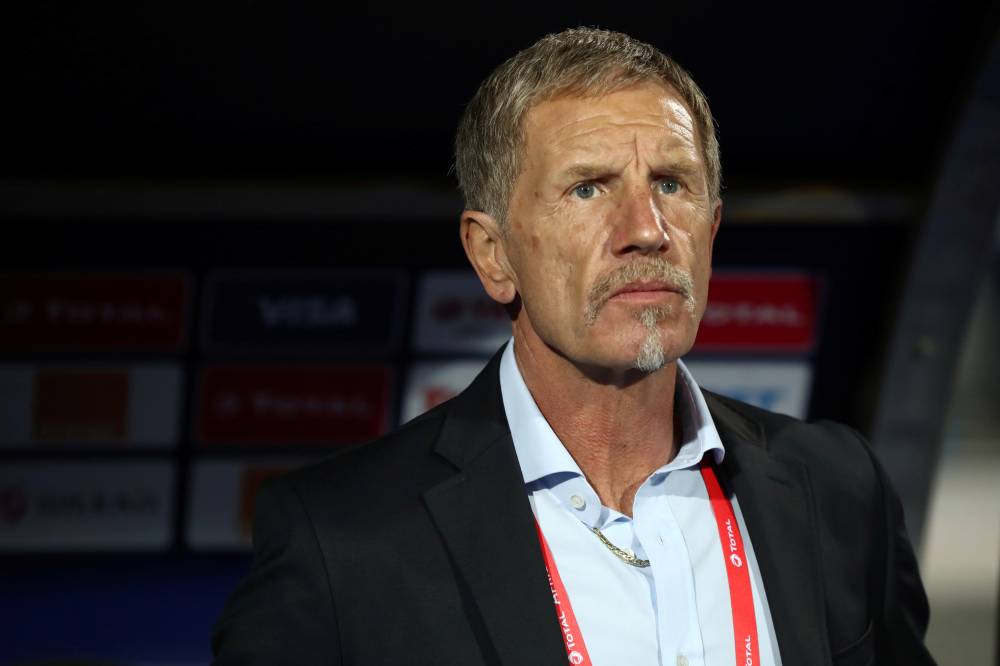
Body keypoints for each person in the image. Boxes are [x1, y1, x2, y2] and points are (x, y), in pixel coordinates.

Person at [212, 27, 935, 665]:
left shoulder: (840, 492)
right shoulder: (344, 539)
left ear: (711, 231)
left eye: (672, 183)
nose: (647, 229)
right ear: (492, 255)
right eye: (589, 189)